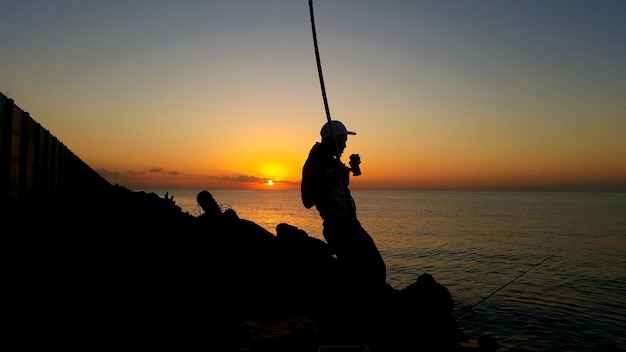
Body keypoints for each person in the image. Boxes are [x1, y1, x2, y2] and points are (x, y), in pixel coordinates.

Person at [301, 120, 386, 288]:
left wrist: (353, 167)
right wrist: (333, 176)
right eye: (343, 141)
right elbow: (307, 199)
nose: (345, 145)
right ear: (332, 140)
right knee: (372, 269)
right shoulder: (316, 162)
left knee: (366, 268)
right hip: (340, 228)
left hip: (350, 225)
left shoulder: (330, 159)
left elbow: (341, 182)